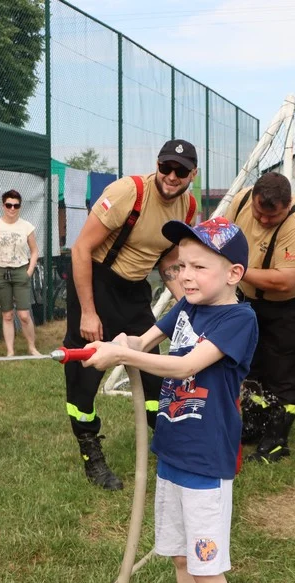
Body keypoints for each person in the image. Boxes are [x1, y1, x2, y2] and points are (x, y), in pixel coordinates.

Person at [83, 217, 257, 583]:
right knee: (180, 559)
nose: (185, 276)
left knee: (208, 569)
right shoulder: (186, 308)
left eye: (200, 267)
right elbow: (144, 340)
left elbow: (184, 367)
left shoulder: (239, 318)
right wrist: (126, 341)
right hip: (173, 453)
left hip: (206, 461)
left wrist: (122, 355)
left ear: (233, 274)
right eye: (181, 267)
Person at [64, 139, 198, 490]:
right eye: (166, 168)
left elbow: (168, 259)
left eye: (180, 172)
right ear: (157, 164)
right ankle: (90, 454)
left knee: (155, 372)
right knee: (86, 377)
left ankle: (168, 446)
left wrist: (190, 302)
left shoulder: (188, 207)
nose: (171, 176)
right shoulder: (129, 192)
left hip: (135, 291)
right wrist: (89, 312)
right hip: (97, 283)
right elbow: (80, 248)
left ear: (191, 175)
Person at [228, 172, 295, 463]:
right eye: (260, 212)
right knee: (252, 364)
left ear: (287, 205)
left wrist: (232, 271)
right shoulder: (241, 200)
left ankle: (276, 437)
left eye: (274, 216)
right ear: (253, 199)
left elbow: (285, 281)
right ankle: (253, 424)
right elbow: (228, 238)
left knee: (285, 368)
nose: (265, 221)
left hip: (294, 302)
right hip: (251, 298)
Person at [0, 190, 41, 357]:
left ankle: (32, 347)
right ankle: (10, 351)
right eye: (9, 205)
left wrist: (29, 270)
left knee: (24, 314)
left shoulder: (27, 226)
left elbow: (34, 251)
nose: (12, 209)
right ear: (3, 206)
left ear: (20, 207)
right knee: (7, 314)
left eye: (16, 205)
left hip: (21, 271)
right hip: (0, 271)